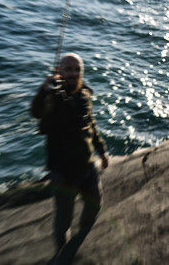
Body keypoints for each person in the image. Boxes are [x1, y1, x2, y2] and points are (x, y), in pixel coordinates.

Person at [30, 53, 109, 263]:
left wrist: (102, 151)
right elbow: (36, 112)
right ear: (60, 71)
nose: (73, 74)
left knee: (95, 205)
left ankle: (79, 237)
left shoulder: (84, 94)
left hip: (87, 165)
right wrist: (43, 89)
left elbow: (91, 125)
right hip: (62, 172)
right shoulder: (52, 95)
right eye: (68, 69)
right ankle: (62, 254)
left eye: (77, 70)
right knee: (63, 219)